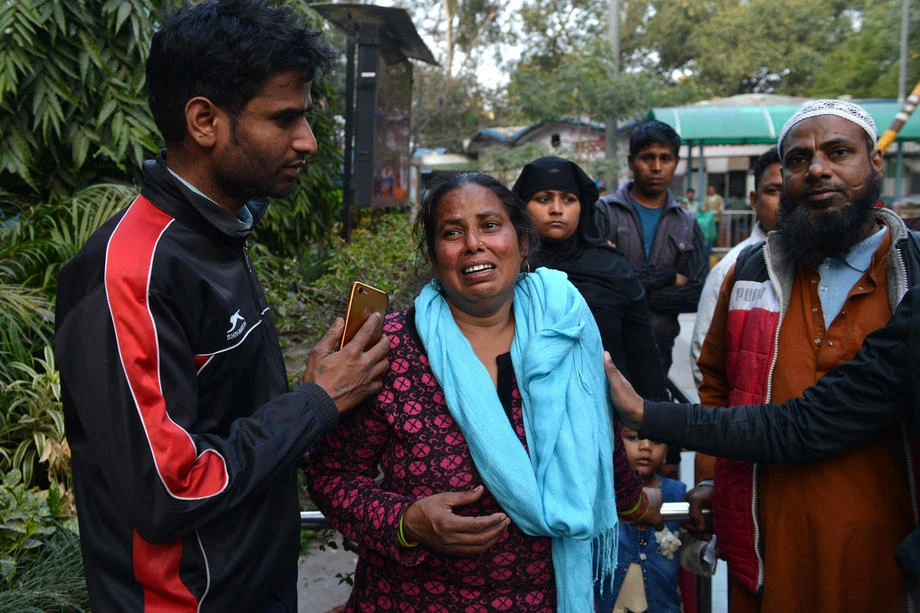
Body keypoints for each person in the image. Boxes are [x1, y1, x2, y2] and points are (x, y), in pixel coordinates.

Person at [54, 2, 390, 610]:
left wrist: (313, 389)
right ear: (205, 121)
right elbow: (171, 489)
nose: (307, 141)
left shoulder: (219, 234)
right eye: (284, 118)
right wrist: (315, 404)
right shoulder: (130, 272)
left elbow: (222, 416)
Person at [305, 173, 663, 612]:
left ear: (523, 242)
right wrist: (406, 522)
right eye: (452, 233)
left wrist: (642, 503)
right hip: (414, 600)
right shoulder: (390, 352)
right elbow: (331, 475)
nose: (474, 243)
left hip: (546, 600)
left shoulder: (567, 330)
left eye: (490, 225)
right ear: (435, 257)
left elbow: (597, 449)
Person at [692, 98, 920, 612]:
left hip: (890, 539)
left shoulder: (912, 271)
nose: (817, 169)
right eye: (798, 160)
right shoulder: (750, 272)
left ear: (875, 162)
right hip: (768, 532)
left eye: (838, 152)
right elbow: (714, 384)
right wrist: (709, 476)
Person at [603, 283, 920, 603]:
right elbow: (774, 413)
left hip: (878, 546)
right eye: (635, 439)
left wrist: (648, 416)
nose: (644, 446)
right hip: (771, 543)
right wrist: (717, 477)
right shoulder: (744, 274)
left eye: (652, 441)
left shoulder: (906, 263)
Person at [511, 156, 667, 401]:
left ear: (582, 207)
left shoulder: (612, 268)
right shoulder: (508, 270)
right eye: (543, 199)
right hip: (525, 413)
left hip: (606, 410)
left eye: (568, 199)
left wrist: (655, 425)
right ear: (522, 206)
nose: (556, 208)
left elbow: (643, 355)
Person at [595, 120, 708, 376]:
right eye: (647, 158)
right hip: (606, 351)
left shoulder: (688, 224)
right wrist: (667, 277)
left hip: (660, 350)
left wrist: (629, 295)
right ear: (631, 161)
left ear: (676, 162)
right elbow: (597, 285)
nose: (656, 167)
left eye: (665, 158)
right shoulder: (604, 213)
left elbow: (696, 293)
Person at [596, 425, 717, 613]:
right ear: (615, 444)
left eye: (657, 441)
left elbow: (687, 550)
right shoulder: (602, 493)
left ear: (667, 451)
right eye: (633, 437)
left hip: (662, 606)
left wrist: (707, 550)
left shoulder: (678, 495)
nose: (646, 446)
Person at [689, 147, 782, 386]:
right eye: (774, 191)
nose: (785, 202)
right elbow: (704, 355)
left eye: (793, 191)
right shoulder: (731, 268)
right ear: (754, 200)